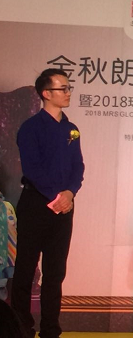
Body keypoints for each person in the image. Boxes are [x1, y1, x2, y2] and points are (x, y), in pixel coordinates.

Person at [12, 69, 84, 338]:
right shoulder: (31, 127)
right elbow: (32, 169)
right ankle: (22, 327)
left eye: (68, 88)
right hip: (36, 204)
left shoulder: (71, 128)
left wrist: (70, 193)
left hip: (64, 207)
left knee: (55, 272)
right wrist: (56, 196)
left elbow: (78, 166)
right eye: (62, 88)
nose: (67, 93)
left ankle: (51, 329)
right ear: (46, 93)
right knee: (26, 269)